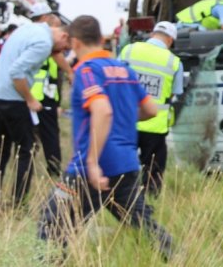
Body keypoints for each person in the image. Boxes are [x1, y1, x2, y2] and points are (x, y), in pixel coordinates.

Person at [37, 15, 172, 260]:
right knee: (144, 226)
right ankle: (177, 258)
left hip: (89, 169)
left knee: (52, 224)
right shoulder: (124, 69)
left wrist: (92, 162)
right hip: (127, 165)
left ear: (75, 43)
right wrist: (124, 119)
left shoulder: (86, 71)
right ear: (101, 39)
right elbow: (151, 110)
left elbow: (102, 109)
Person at [0, 19, 69, 211]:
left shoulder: (30, 28)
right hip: (12, 100)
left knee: (1, 149)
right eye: (64, 47)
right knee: (26, 150)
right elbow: (16, 72)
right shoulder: (44, 43)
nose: (60, 52)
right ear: (63, 36)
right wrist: (30, 99)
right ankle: (18, 204)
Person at [119, 21, 184, 197]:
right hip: (155, 125)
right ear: (170, 40)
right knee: (153, 167)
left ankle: (121, 195)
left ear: (152, 35)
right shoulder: (174, 62)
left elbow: (115, 79)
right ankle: (150, 198)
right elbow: (176, 93)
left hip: (127, 120)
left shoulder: (129, 50)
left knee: (122, 163)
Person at [28, 3, 73, 178]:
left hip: (32, 94)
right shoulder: (45, 39)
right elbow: (56, 54)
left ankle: (27, 167)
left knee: (31, 136)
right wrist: (70, 72)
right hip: (42, 95)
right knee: (50, 135)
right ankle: (54, 171)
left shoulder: (29, 34)